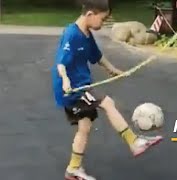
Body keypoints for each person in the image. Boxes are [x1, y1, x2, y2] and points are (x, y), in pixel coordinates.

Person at [51, 0, 163, 179]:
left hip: (82, 84)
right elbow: (61, 63)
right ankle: (134, 142)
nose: (102, 24)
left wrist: (113, 70)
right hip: (73, 89)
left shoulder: (87, 35)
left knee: (85, 127)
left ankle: (73, 169)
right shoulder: (71, 34)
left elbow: (98, 57)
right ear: (90, 15)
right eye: (102, 20)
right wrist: (65, 81)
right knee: (107, 103)